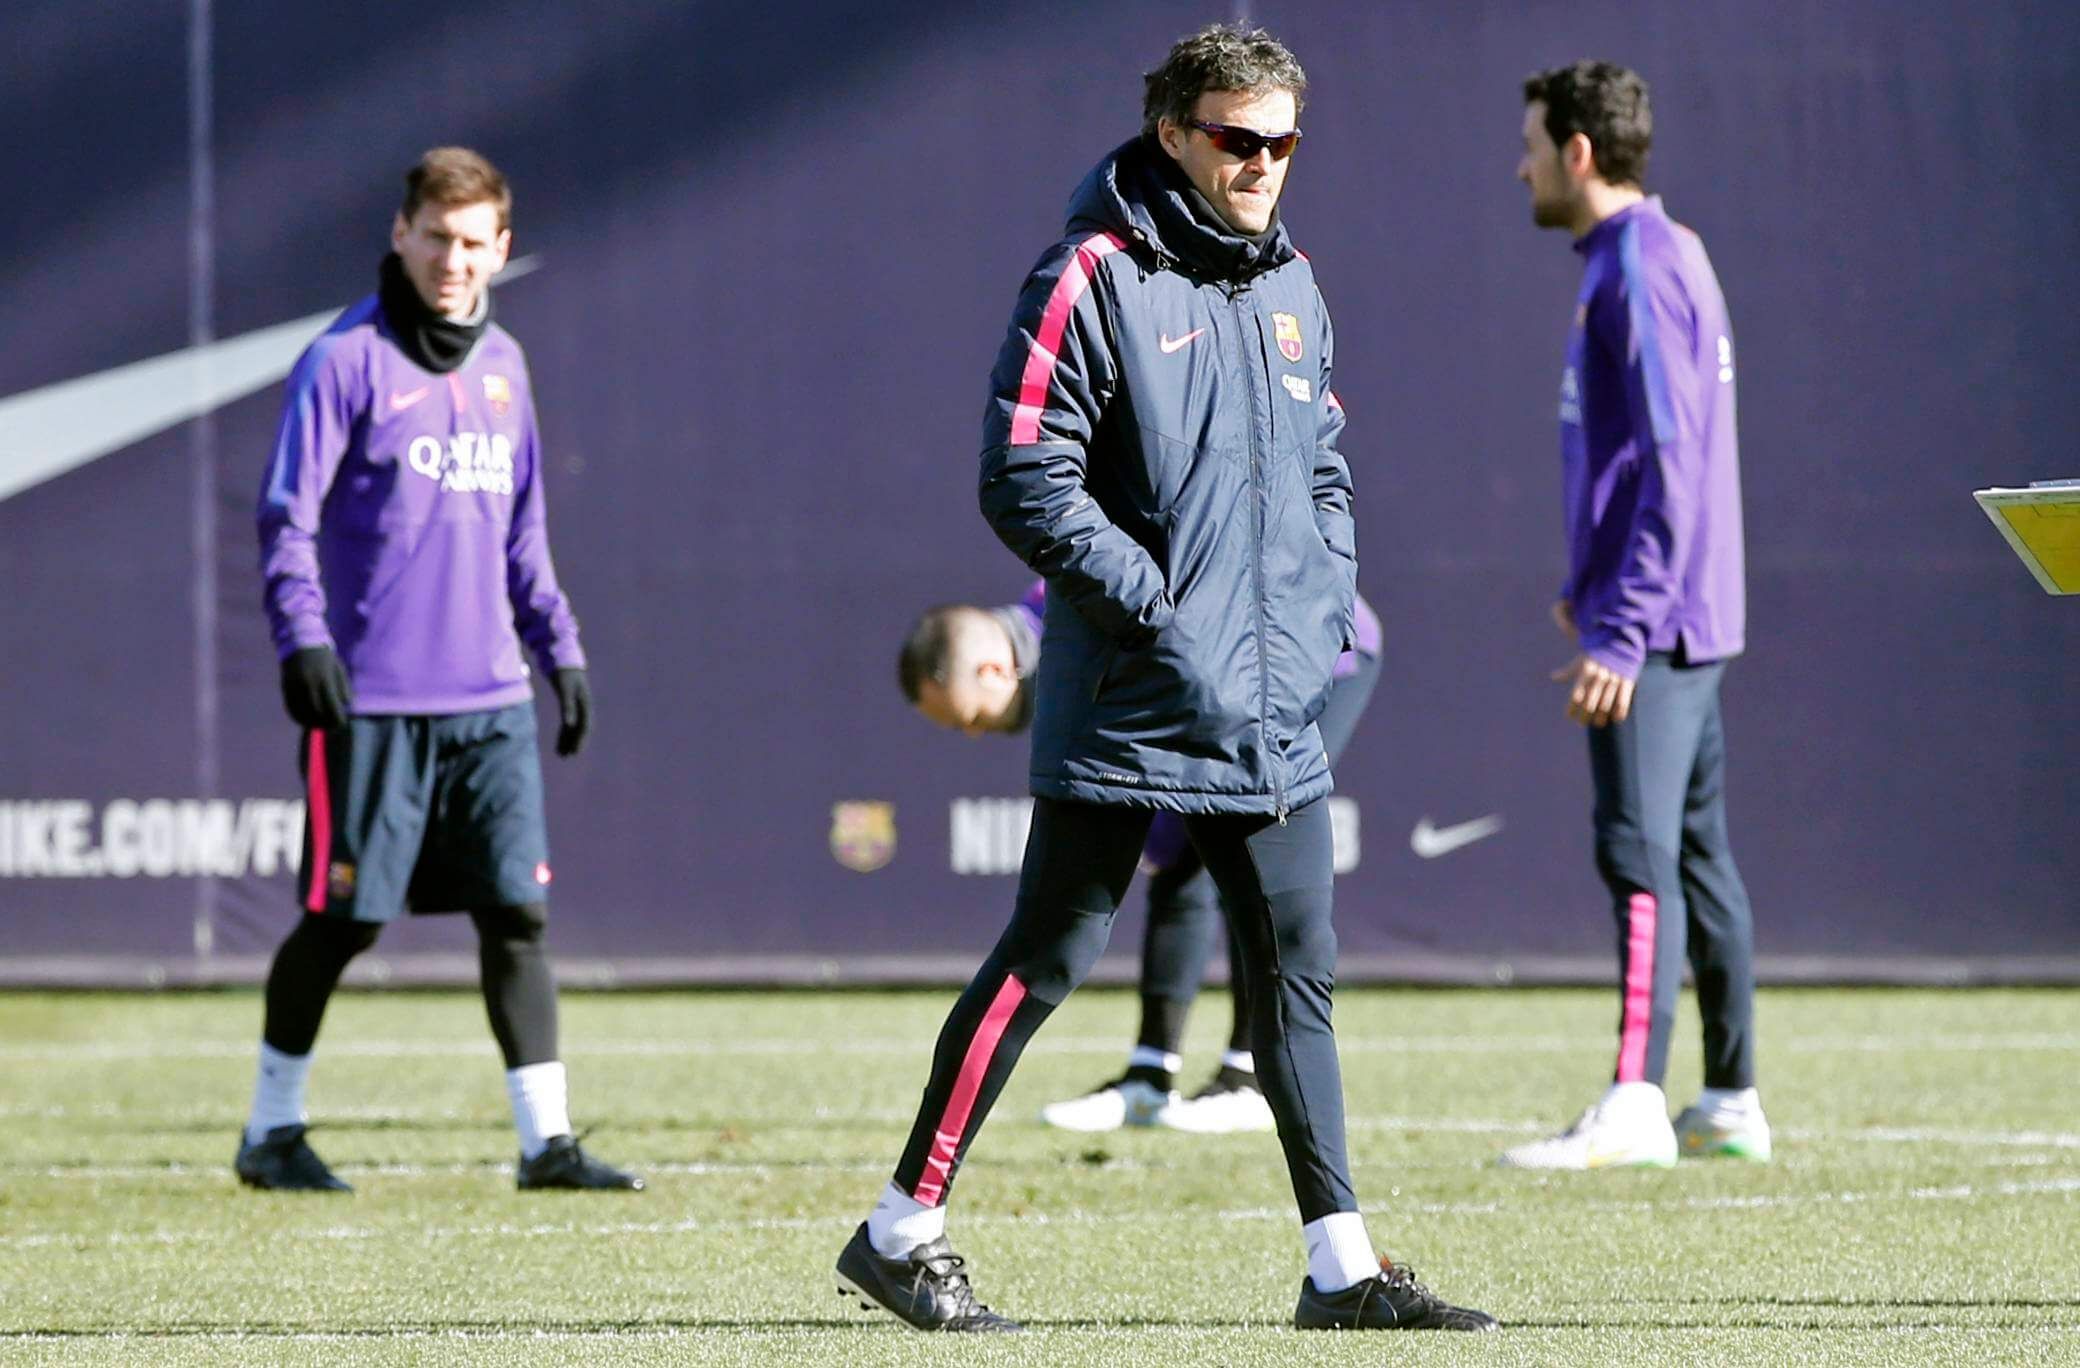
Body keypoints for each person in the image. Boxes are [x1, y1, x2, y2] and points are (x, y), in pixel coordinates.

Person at [836, 24, 1495, 1334]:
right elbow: (1023, 476)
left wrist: (1309, 615)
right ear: (1173, 133)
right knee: (1051, 951)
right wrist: (1158, 607)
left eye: (1284, 142)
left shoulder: (1298, 285)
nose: (1263, 165)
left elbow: (1326, 470)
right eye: (1238, 139)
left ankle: (1341, 1270)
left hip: (1275, 699)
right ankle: (901, 1230)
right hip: (1132, 695)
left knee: (1297, 970)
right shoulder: (1088, 273)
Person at [241, 147, 640, 1195]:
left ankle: (545, 1144)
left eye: (475, 244)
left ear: (501, 250)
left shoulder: (505, 365)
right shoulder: (343, 362)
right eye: (436, 239)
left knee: (517, 914)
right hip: (371, 702)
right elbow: (288, 519)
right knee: (346, 919)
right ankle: (270, 1131)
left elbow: (524, 533)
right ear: (399, 234)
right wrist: (304, 640)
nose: (454, 261)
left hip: (491, 702)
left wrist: (560, 649)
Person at [1500, 63, 1770, 1170]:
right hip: (1665, 606)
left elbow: (1672, 456)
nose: (1516, 164)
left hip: (1652, 623)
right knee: (1697, 852)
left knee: (1637, 850)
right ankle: (1730, 1098)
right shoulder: (1648, 254)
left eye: (1527, 143)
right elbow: (1640, 455)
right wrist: (1598, 574)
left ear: (1576, 151)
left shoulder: (1639, 264)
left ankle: (1633, 1100)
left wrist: (1624, 623)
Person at [897, 579, 1382, 1134]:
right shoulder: (1064, 619)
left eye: (973, 719)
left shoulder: (1086, 614)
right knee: (1184, 860)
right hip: (1226, 671)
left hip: (1313, 645)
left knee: (1242, 850)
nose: (978, 734)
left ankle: (1247, 1077)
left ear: (992, 673)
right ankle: (1151, 1076)